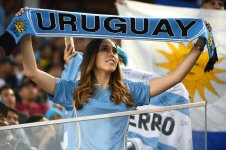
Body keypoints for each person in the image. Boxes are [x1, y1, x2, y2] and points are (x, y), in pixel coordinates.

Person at [17, 7, 211, 150]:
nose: (112, 54)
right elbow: (32, 72)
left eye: (114, 51)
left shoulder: (128, 91)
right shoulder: (72, 90)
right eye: (105, 49)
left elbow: (174, 78)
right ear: (91, 57)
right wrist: (25, 32)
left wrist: (199, 45)